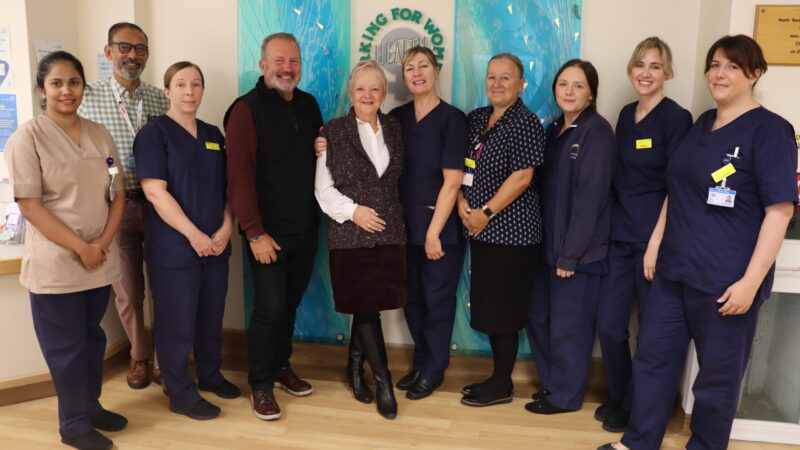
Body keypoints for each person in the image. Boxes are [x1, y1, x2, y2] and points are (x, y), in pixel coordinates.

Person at [601, 35, 797, 450]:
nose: (719, 74)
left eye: (731, 66)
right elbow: (678, 189)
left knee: (716, 380)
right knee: (653, 362)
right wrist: (655, 243)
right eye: (714, 65)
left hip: (726, 282)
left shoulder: (771, 131)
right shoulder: (702, 123)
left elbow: (779, 212)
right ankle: (639, 441)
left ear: (755, 74)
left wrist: (750, 282)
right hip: (675, 273)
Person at [315, 47, 467, 401]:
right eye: (409, 67)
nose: (417, 73)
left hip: (433, 228)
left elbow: (453, 180)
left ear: (436, 70)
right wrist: (323, 143)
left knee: (437, 301)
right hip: (399, 229)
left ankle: (432, 370)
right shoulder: (396, 119)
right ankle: (419, 364)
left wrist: (433, 231)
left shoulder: (449, 119)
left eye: (423, 66)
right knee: (410, 301)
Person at [5, 51, 126, 450]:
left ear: (83, 87)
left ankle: (91, 407)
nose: (66, 90)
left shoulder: (99, 133)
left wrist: (103, 243)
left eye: (73, 82)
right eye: (56, 83)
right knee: (67, 348)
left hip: (98, 260)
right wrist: (82, 247)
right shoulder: (27, 137)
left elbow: (118, 193)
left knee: (93, 339)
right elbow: (30, 205)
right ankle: (73, 425)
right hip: (58, 264)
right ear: (42, 90)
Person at [594, 37, 692, 432]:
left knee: (651, 332)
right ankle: (620, 395)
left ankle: (641, 404)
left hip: (657, 241)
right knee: (610, 326)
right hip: (620, 237)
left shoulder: (676, 118)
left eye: (655, 66)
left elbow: (678, 186)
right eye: (640, 65)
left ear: (667, 72)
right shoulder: (623, 114)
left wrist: (654, 245)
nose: (646, 73)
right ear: (631, 70)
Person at [133, 62, 239, 421]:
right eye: (180, 84)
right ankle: (179, 391)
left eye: (196, 84)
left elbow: (230, 188)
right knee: (176, 322)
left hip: (216, 245)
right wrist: (194, 235)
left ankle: (209, 375)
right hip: (175, 248)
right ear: (167, 92)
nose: (189, 91)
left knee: (211, 317)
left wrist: (225, 228)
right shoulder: (154, 134)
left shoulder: (213, 135)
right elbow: (154, 192)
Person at [225, 32, 322, 421]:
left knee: (290, 304)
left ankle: (282, 367)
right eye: (279, 61)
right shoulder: (245, 110)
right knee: (268, 309)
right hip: (266, 233)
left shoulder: (309, 105)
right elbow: (239, 178)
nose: (287, 68)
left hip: (305, 228)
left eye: (294, 61)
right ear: (263, 65)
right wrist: (254, 232)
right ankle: (261, 384)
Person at [78, 22, 169, 389]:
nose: (133, 55)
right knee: (128, 291)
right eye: (124, 48)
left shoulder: (161, 98)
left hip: (161, 207)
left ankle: (166, 359)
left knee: (165, 287)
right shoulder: (87, 97)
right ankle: (139, 357)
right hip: (115, 208)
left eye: (140, 49)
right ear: (108, 51)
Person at [315, 59, 406, 419]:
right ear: (350, 94)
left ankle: (354, 367)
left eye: (375, 88)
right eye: (360, 89)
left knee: (371, 304)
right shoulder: (332, 132)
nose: (367, 95)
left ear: (383, 94)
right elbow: (323, 190)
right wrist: (355, 211)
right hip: (351, 233)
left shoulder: (395, 129)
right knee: (366, 306)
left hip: (391, 230)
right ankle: (382, 380)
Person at [525, 59, 616, 415]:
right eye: (563, 84)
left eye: (578, 85)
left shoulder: (597, 132)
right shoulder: (553, 131)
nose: (569, 91)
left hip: (577, 255)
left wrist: (570, 254)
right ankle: (553, 386)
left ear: (591, 93)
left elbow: (590, 198)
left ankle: (566, 396)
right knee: (540, 317)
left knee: (569, 328)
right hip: (546, 249)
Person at [457, 53, 546, 407]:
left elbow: (523, 176)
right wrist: (464, 203)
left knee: (504, 309)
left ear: (520, 84)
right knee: (490, 307)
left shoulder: (525, 122)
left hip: (512, 234)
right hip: (479, 229)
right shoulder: (478, 119)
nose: (496, 83)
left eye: (505, 78)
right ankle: (497, 377)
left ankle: (502, 384)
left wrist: (486, 212)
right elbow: (465, 165)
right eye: (491, 77)